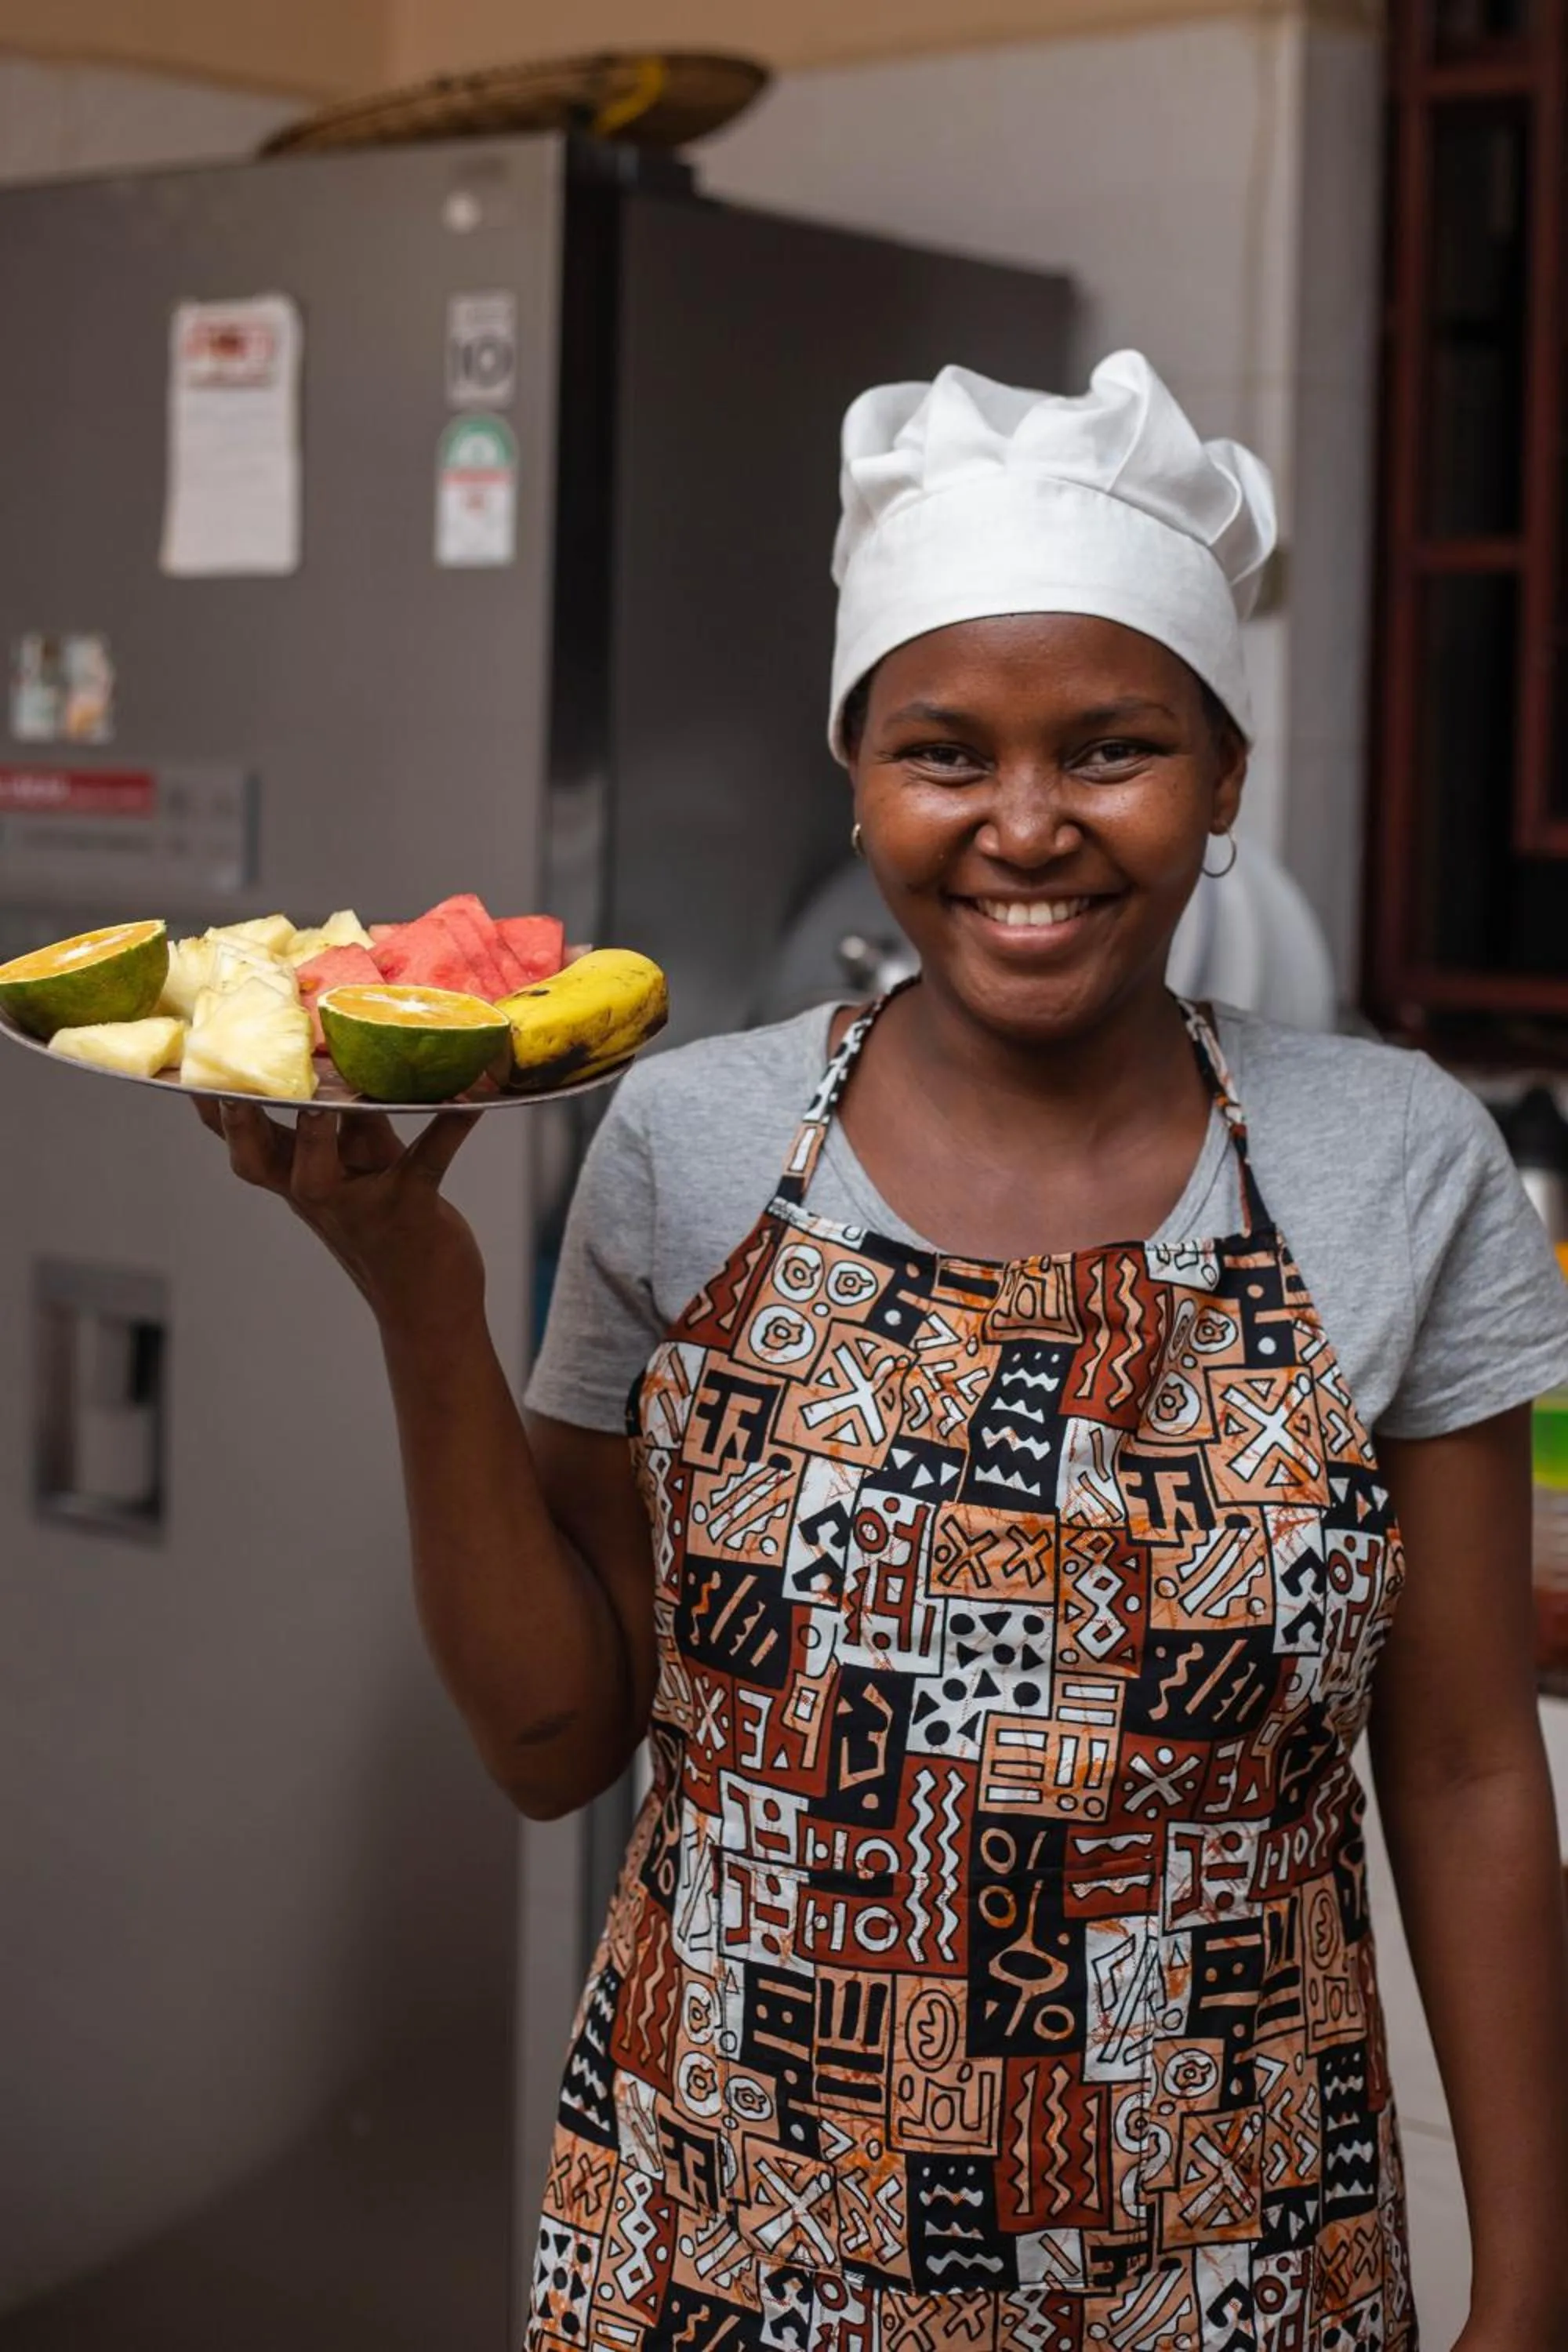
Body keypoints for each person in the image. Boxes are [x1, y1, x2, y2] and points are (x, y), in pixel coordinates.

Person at [205, 352, 1568, 2351]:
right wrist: (418, 1291)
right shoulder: (683, 1143)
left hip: (1230, 2263)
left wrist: (1528, 2289)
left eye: (1111, 749)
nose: (1026, 828)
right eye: (945, 753)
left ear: (1225, 778)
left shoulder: (1395, 1166)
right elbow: (555, 1741)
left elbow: (1456, 1768)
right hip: (730, 2256)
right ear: (854, 776)